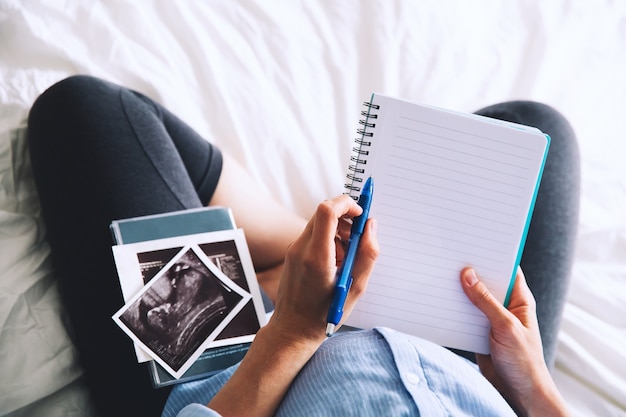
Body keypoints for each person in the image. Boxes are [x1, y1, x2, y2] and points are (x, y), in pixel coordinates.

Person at [27, 75, 579, 416]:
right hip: (473, 365)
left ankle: (289, 274)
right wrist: (534, 390)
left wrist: (294, 327)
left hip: (240, 379)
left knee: (86, 110)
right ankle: (310, 255)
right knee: (534, 130)